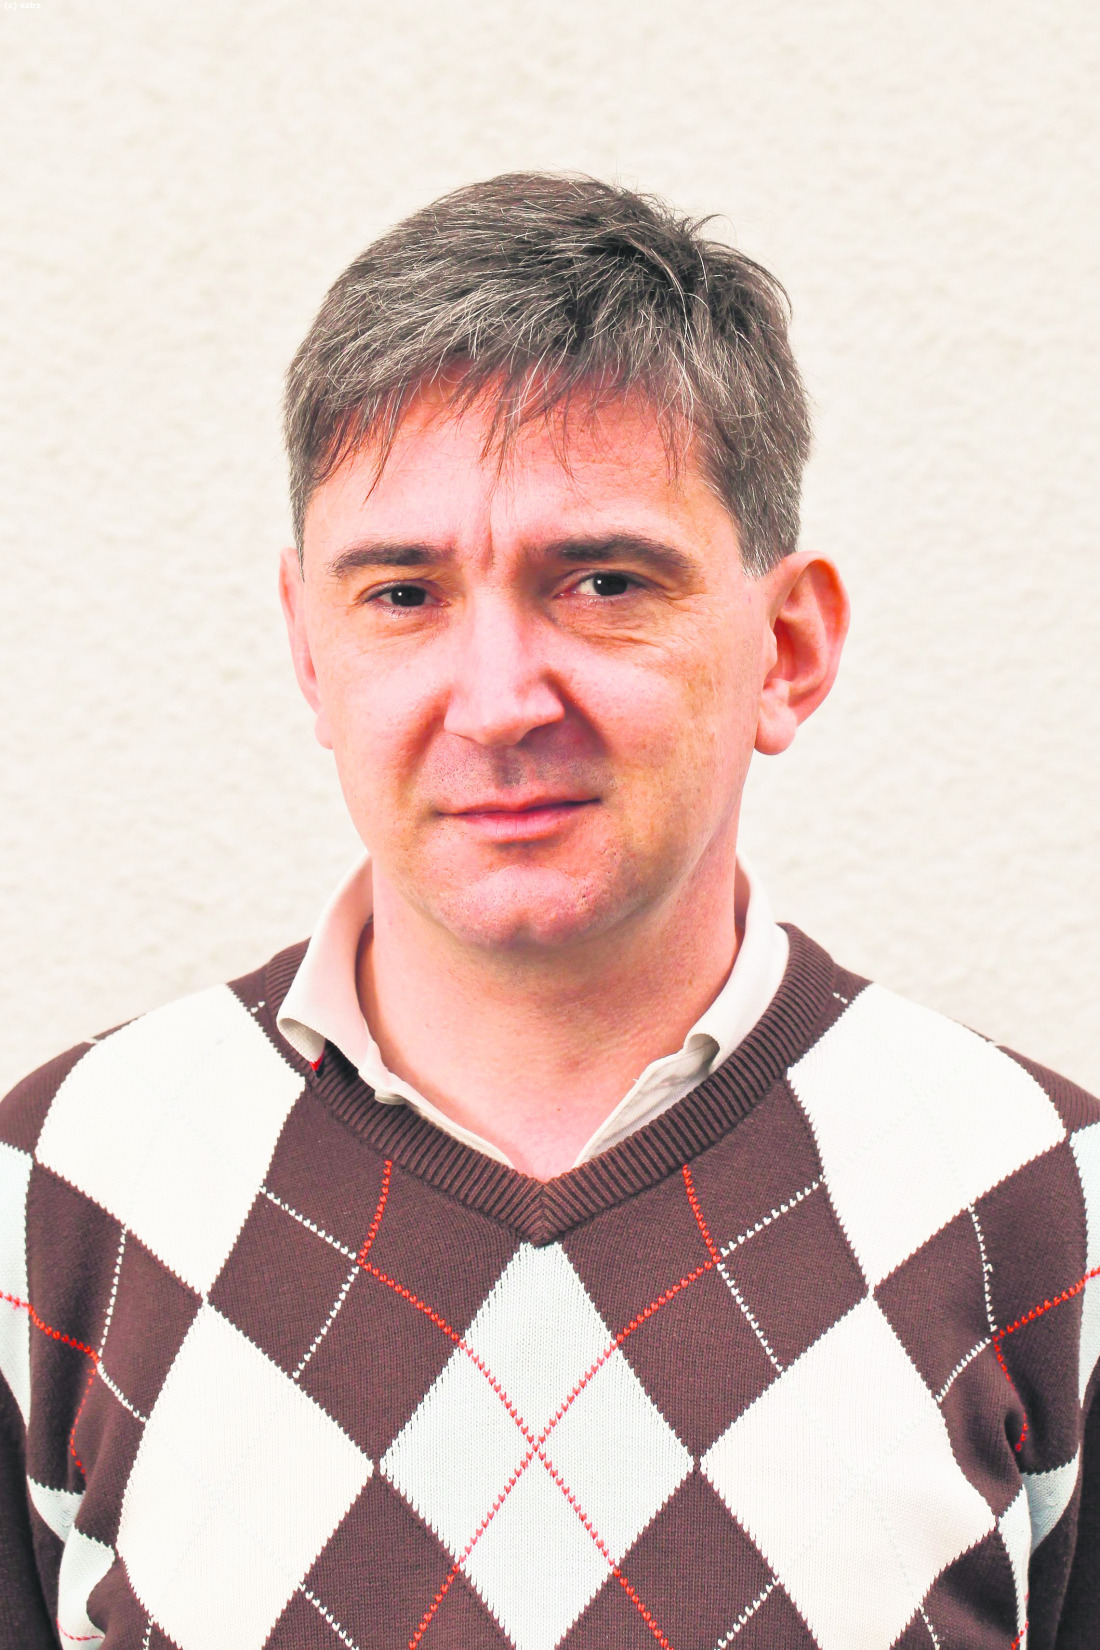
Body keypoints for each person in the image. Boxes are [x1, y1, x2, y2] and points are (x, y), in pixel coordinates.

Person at [0, 173, 1096, 1650]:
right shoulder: (62, 1189)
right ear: (311, 649)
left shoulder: (1043, 1199)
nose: (499, 700)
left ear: (786, 647)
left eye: (603, 581)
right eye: (403, 594)